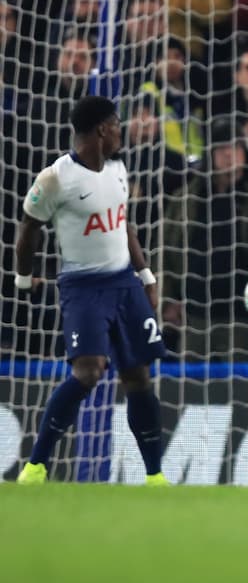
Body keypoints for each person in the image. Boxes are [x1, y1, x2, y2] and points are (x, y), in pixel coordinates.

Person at [13, 96, 169, 486]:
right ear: (102, 129)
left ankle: (155, 476)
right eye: (117, 124)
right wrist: (23, 278)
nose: (121, 131)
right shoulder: (55, 178)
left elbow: (123, 225)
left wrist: (146, 276)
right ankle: (36, 465)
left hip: (124, 284)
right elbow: (28, 228)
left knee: (138, 376)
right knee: (88, 372)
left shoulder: (118, 168)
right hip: (83, 287)